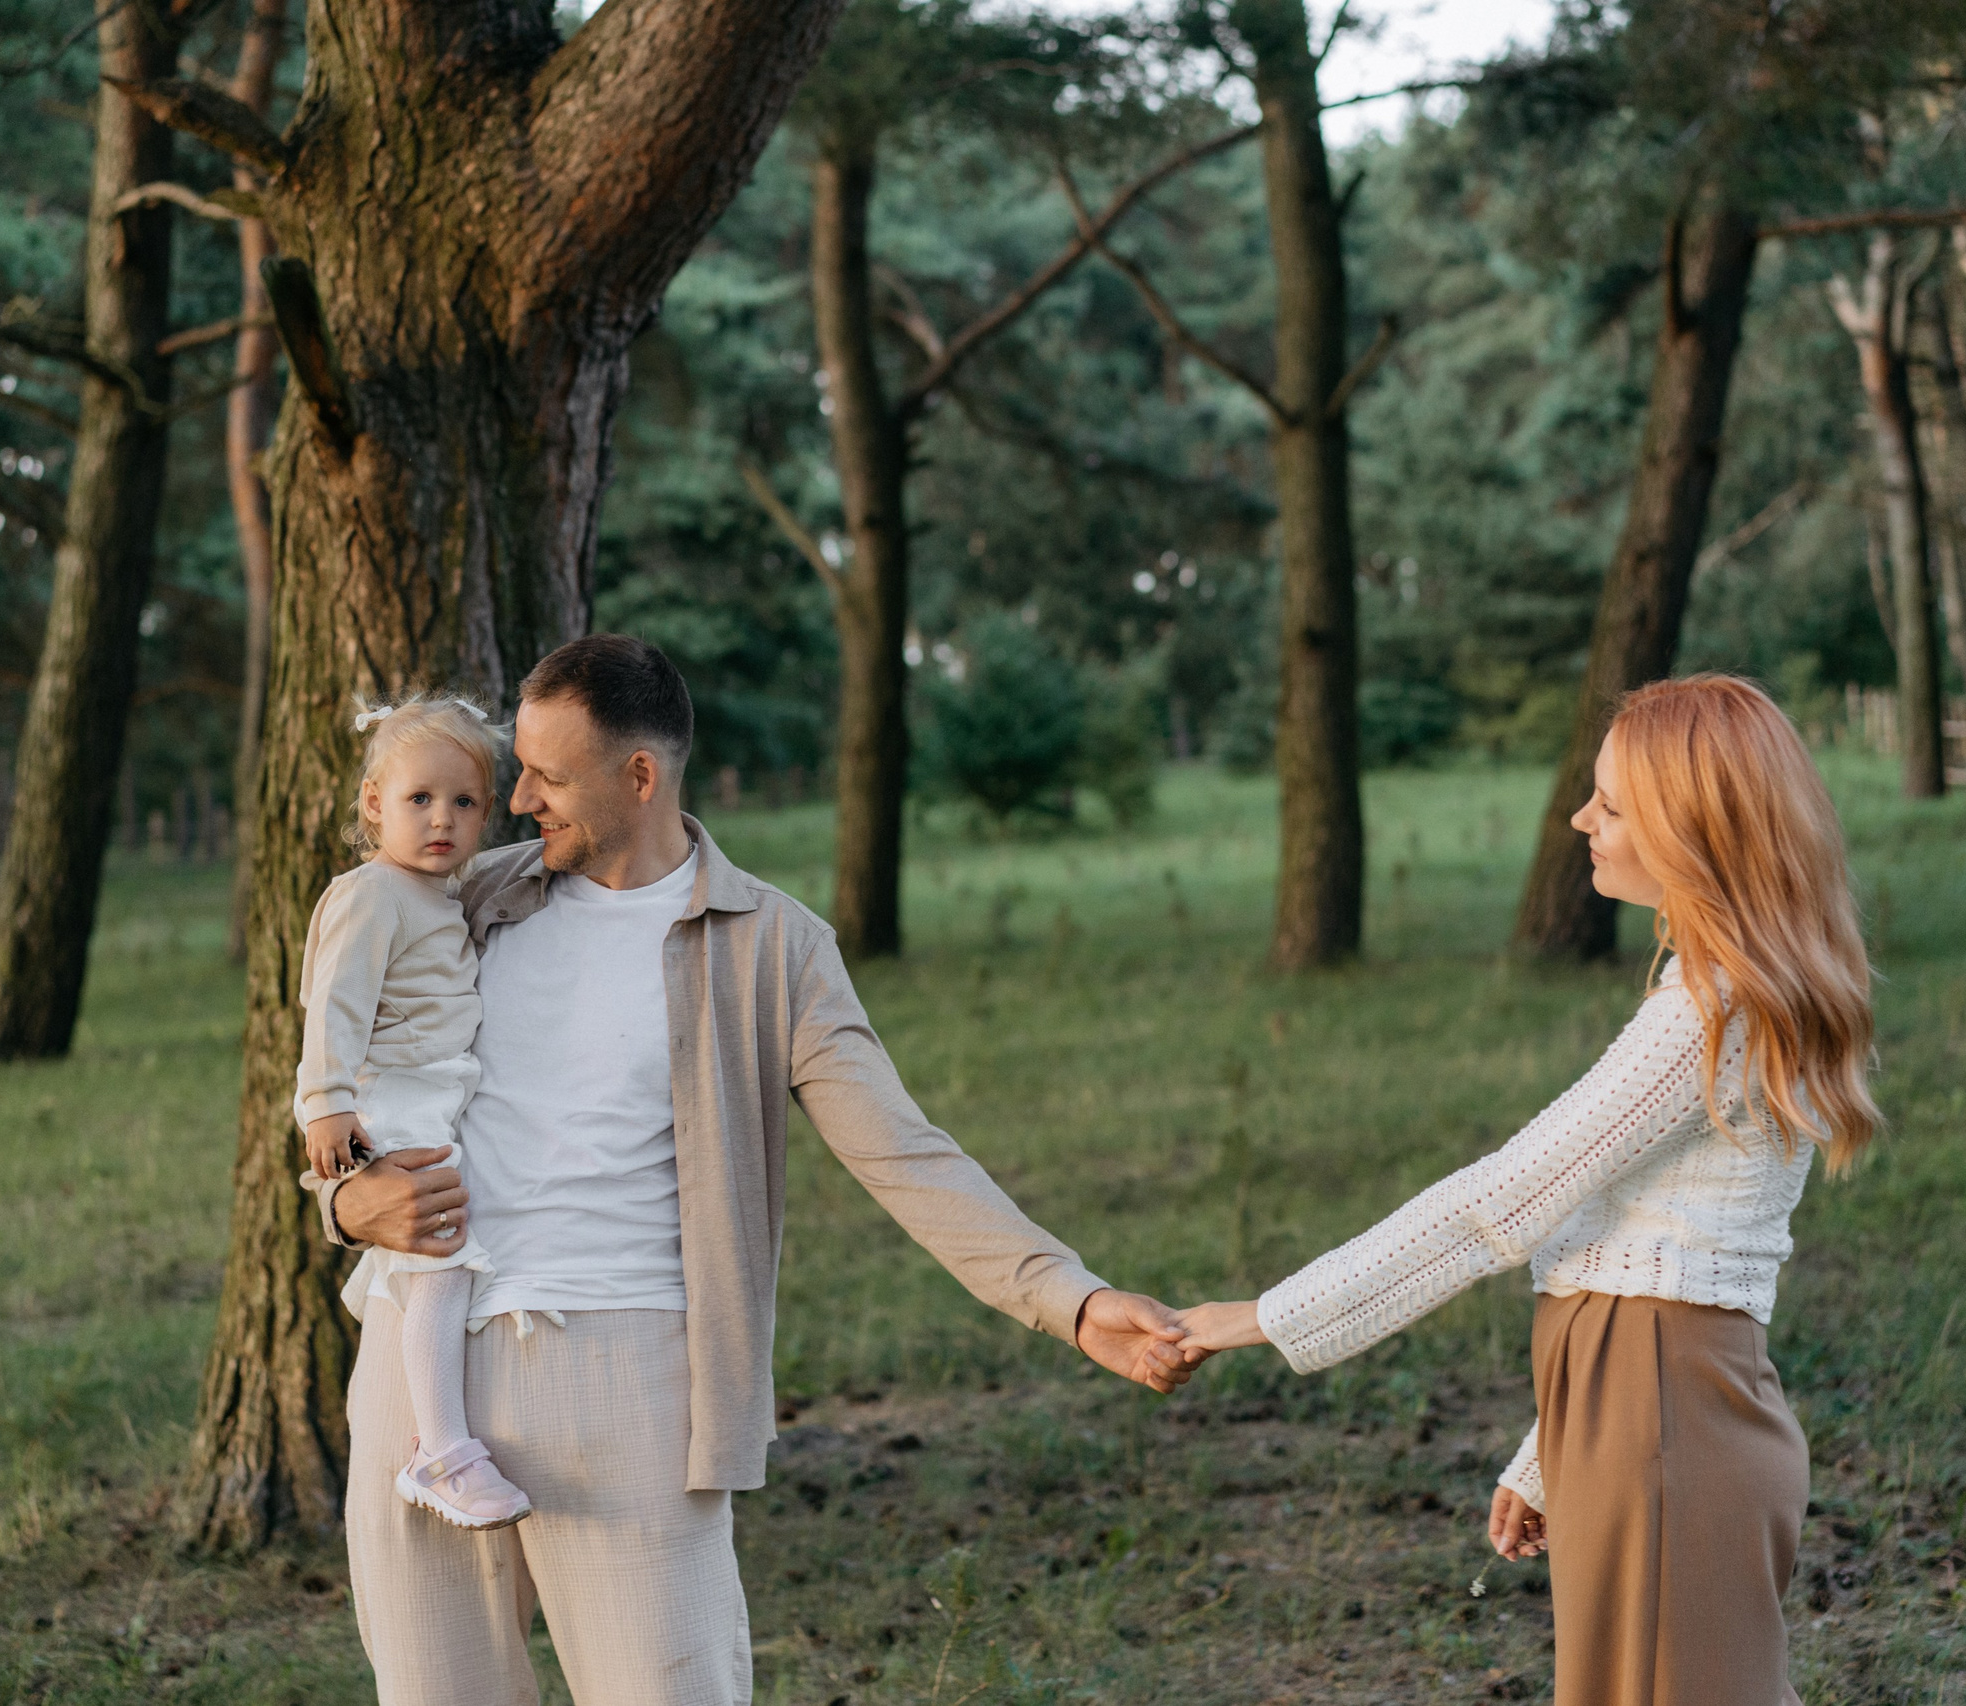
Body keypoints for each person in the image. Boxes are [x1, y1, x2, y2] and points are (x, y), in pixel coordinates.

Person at [308, 634, 1193, 1706]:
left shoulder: (774, 947)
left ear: (639, 775)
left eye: (546, 773)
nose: (515, 797)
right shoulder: (468, 896)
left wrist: (1071, 1295)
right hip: (420, 1364)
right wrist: (349, 1198)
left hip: (626, 1374)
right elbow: (357, 1054)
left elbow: (903, 1151)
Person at [1174, 674, 1881, 1706]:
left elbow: (1505, 1202)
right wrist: (1553, 1447)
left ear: (1694, 829)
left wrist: (1264, 1315)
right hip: (1653, 1410)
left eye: (1613, 804)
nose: (1578, 818)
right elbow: (1643, 1238)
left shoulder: (1707, 1012)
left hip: (1663, 1419)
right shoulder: (1734, 989)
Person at [296, 695, 531, 1532]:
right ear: (373, 805)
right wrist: (325, 1106)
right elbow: (333, 1006)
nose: (444, 819)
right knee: (439, 1258)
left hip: (436, 1092)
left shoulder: (437, 892)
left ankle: (433, 1426)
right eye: (419, 800)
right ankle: (442, 1451)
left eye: (465, 802)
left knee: (433, 1261)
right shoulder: (371, 894)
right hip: (393, 1095)